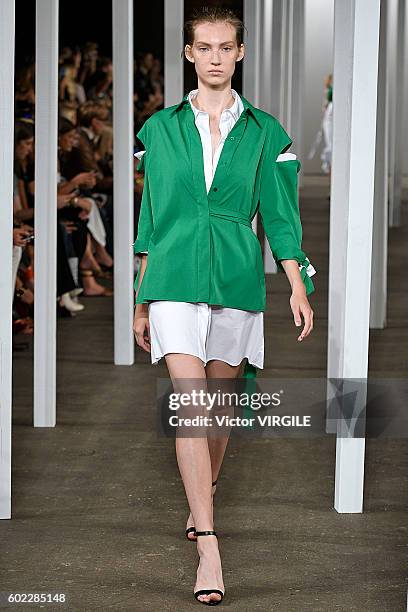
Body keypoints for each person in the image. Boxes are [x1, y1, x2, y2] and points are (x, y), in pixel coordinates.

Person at [132, 7, 316, 606]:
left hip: (237, 277)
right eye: (204, 47)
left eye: (225, 47)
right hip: (174, 276)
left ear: (239, 54)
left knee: (220, 407)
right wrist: (141, 298)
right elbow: (150, 218)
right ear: (189, 54)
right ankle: (208, 543)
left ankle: (201, 493)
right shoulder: (158, 129)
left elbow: (281, 218)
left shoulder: (265, 132)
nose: (214, 56)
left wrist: (296, 283)